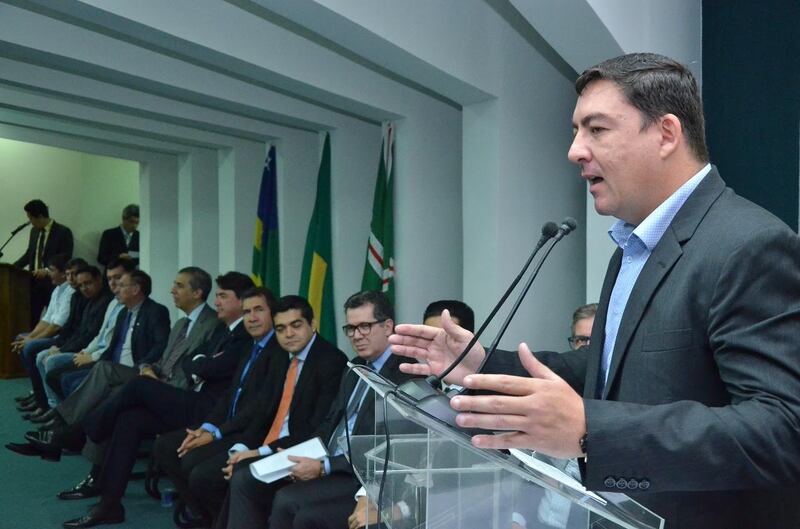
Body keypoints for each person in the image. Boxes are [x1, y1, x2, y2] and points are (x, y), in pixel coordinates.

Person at [390, 53, 800, 529]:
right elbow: (613, 370)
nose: (575, 151)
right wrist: (483, 364)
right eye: (576, 131)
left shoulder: (748, 245)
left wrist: (592, 430)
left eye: (596, 129)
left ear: (666, 133)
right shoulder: (633, 245)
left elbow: (783, 429)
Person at [263, 291, 417, 529]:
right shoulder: (354, 367)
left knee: (291, 503)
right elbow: (330, 422)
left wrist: (325, 467)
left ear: (388, 326)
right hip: (332, 459)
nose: (356, 335)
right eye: (351, 329)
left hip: (364, 475)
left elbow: (387, 445)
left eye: (364, 326)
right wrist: (305, 453)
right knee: (265, 484)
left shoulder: (406, 372)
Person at [152, 286, 281, 525]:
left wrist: (215, 434)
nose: (252, 318)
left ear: (273, 314)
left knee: (196, 469)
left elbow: (260, 407)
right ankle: (205, 516)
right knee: (166, 446)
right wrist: (207, 427)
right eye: (247, 312)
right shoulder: (251, 346)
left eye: (259, 310)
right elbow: (230, 394)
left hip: (251, 432)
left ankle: (222, 520)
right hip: (227, 425)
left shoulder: (279, 351)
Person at [349, 299, 474, 529]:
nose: (436, 346)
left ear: (469, 342)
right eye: (430, 337)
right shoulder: (417, 386)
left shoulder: (481, 398)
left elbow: (469, 483)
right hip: (403, 495)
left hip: (449, 511)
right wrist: (368, 495)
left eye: (446, 338)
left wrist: (395, 511)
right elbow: (396, 450)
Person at [33, 266, 113, 414]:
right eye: (81, 285)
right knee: (41, 356)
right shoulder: (89, 300)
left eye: (88, 283)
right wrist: (60, 347)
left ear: (99, 280)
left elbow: (90, 335)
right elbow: (76, 330)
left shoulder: (106, 301)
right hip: (82, 347)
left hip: (90, 352)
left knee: (51, 360)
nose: (84, 288)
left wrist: (64, 350)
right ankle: (52, 406)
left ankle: (59, 410)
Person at [13, 199, 74, 319]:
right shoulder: (34, 231)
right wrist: (13, 268)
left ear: (40, 216)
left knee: (52, 317)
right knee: (30, 318)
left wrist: (47, 270)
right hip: (33, 282)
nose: (30, 222)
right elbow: (29, 254)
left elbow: (66, 257)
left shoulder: (63, 232)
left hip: (52, 283)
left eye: (31, 218)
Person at [97, 204, 139, 268]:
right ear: (123, 219)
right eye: (131, 222)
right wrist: (118, 257)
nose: (134, 226)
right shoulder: (109, 234)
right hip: (112, 272)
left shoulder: (139, 236)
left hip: (132, 273)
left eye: (137, 223)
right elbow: (101, 258)